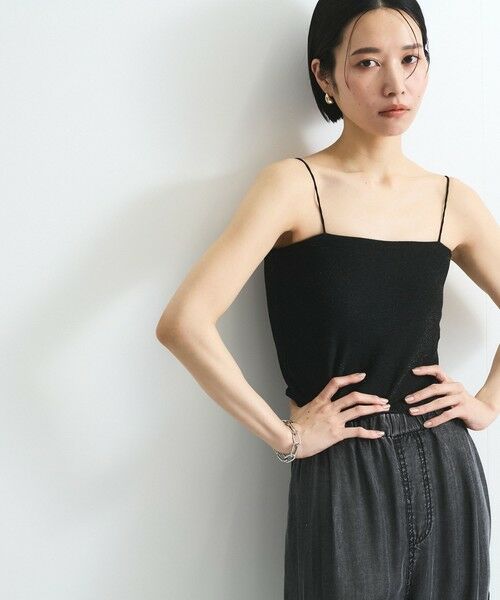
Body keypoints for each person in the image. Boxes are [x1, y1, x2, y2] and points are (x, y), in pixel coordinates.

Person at [156, 1, 500, 598]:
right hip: (344, 465)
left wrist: (488, 403)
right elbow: (184, 323)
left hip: (446, 462)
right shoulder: (294, 186)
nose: (396, 84)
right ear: (325, 75)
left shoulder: (453, 200)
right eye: (367, 62)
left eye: (410, 59)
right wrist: (284, 436)